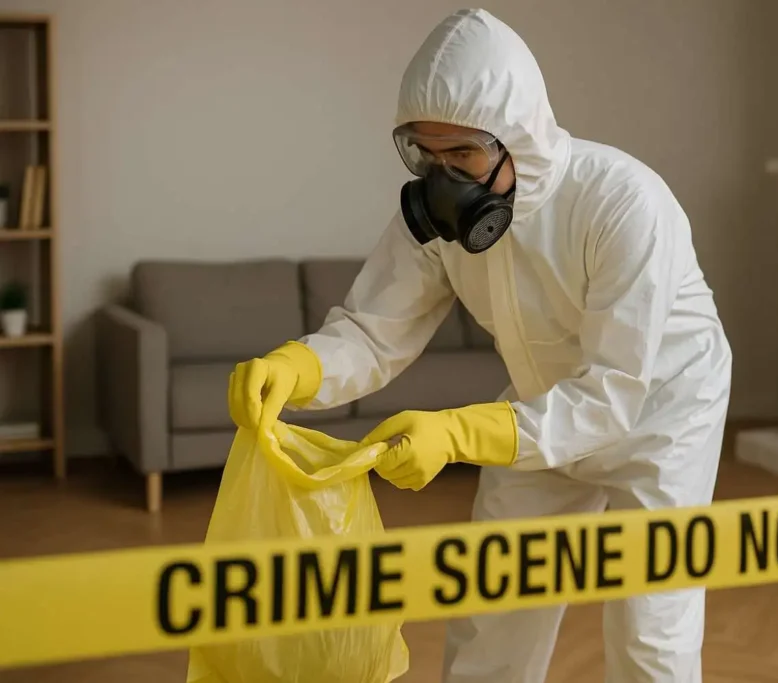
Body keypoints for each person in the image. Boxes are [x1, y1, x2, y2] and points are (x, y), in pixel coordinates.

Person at [227, 7, 732, 683]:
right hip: (532, 410)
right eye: (425, 155)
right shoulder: (437, 221)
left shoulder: (623, 203)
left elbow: (612, 393)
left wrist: (461, 433)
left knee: (653, 630)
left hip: (660, 413)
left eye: (461, 154)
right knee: (493, 613)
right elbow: (375, 328)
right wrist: (299, 366)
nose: (443, 180)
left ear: (517, 140)